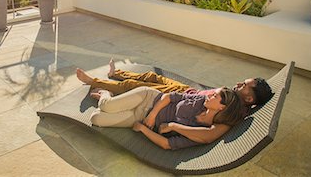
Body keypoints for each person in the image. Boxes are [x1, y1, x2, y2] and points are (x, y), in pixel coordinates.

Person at [76, 60, 273, 144]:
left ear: (249, 98)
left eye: (245, 85)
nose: (240, 83)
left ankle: (98, 87)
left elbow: (207, 135)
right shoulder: (229, 96)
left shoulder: (231, 112)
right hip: (185, 93)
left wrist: (170, 125)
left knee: (130, 86)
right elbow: (199, 96)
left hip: (177, 99)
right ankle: (114, 74)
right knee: (151, 76)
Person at [90, 86, 242, 150]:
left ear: (222, 107)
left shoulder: (200, 130)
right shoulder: (201, 100)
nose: (210, 94)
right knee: (106, 106)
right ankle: (105, 95)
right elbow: (170, 96)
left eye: (215, 96)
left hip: (140, 119)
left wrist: (143, 128)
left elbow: (167, 144)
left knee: (96, 118)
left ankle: (117, 103)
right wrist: (152, 115)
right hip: (149, 99)